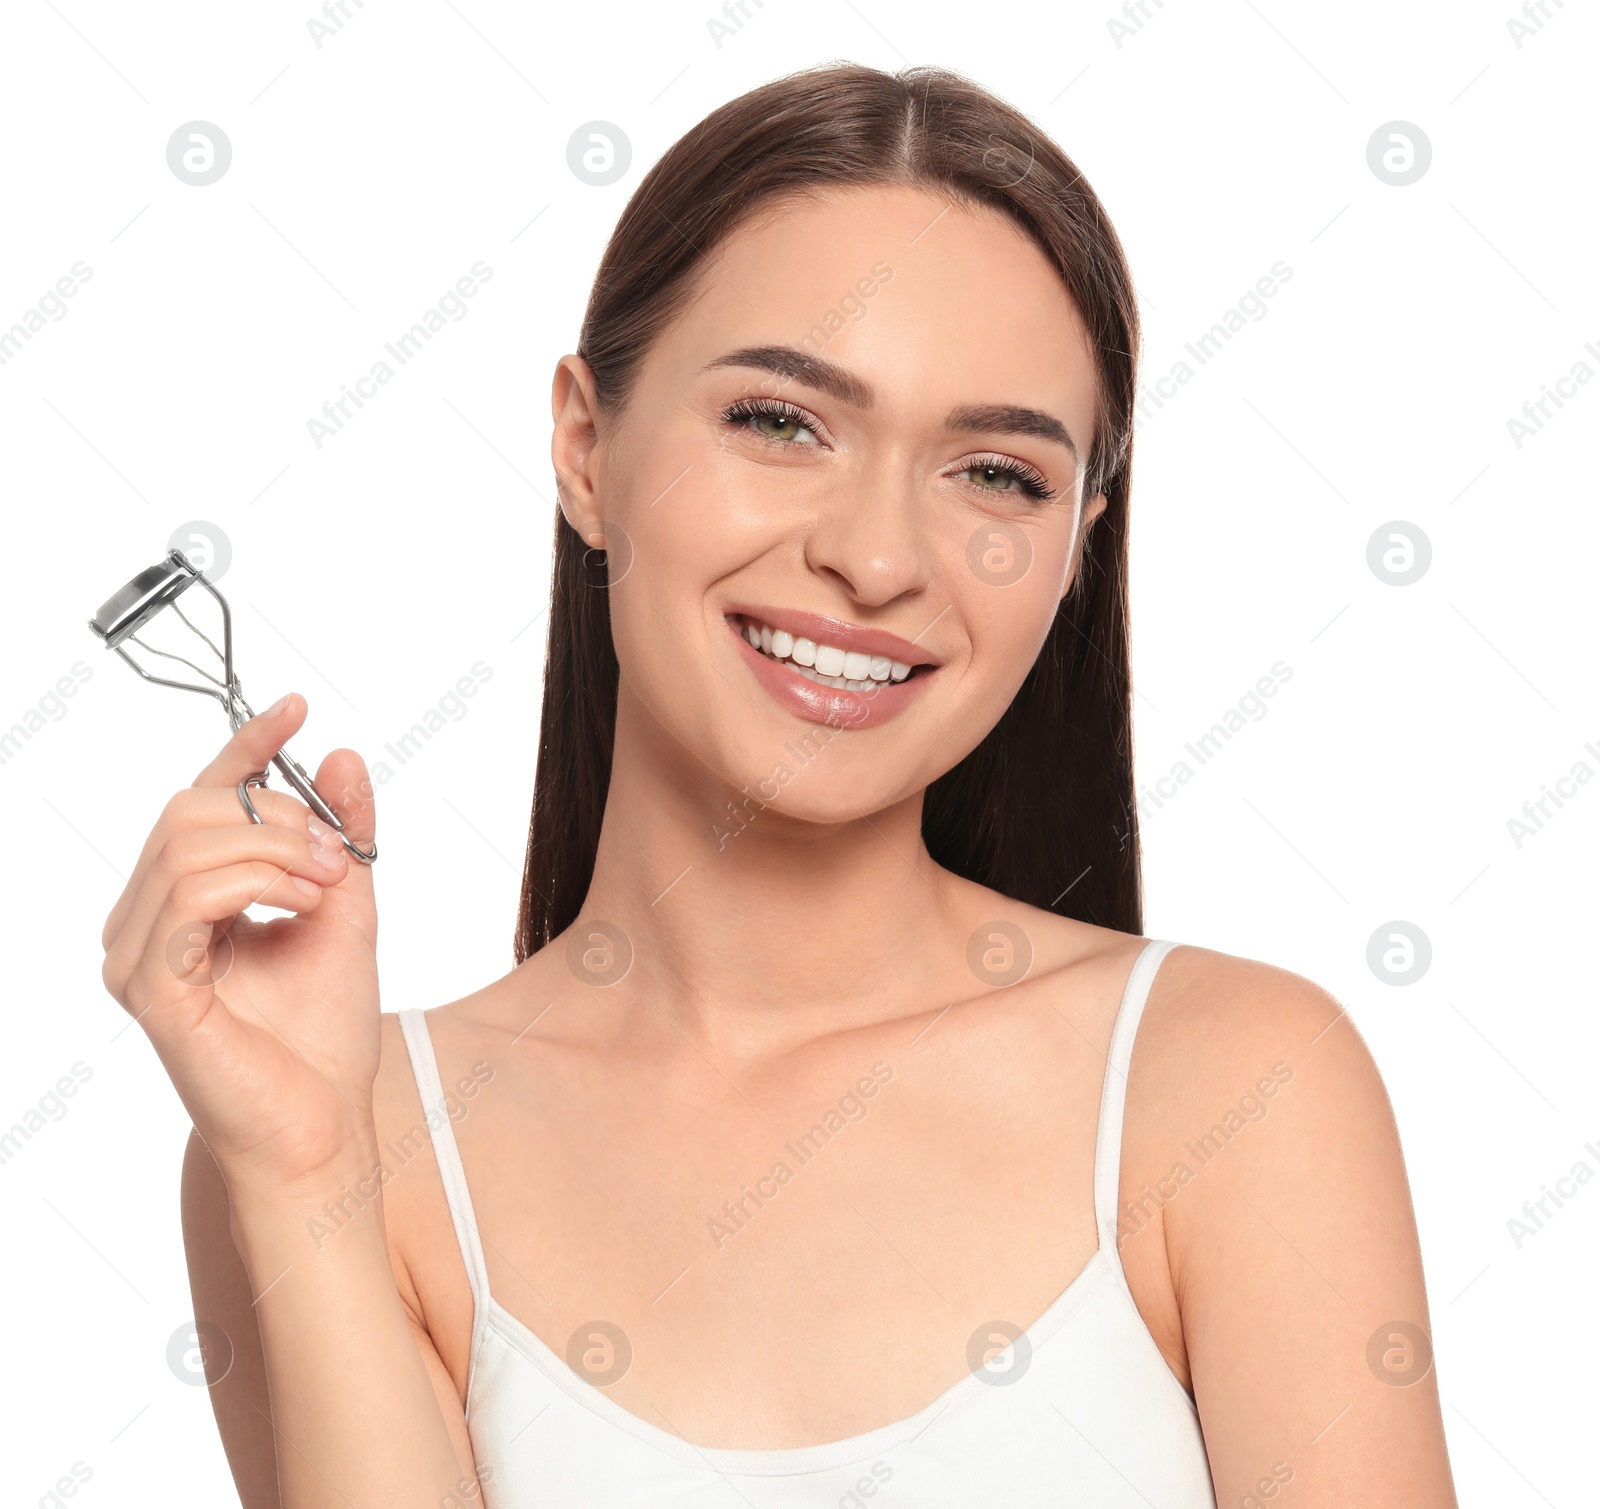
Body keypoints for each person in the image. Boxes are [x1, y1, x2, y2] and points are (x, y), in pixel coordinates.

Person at [100, 61, 1458, 1508]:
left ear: (1077, 541)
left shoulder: (1236, 1087)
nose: (878, 556)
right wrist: (304, 1178)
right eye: (781, 422)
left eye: (997, 472)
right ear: (584, 446)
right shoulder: (349, 1134)